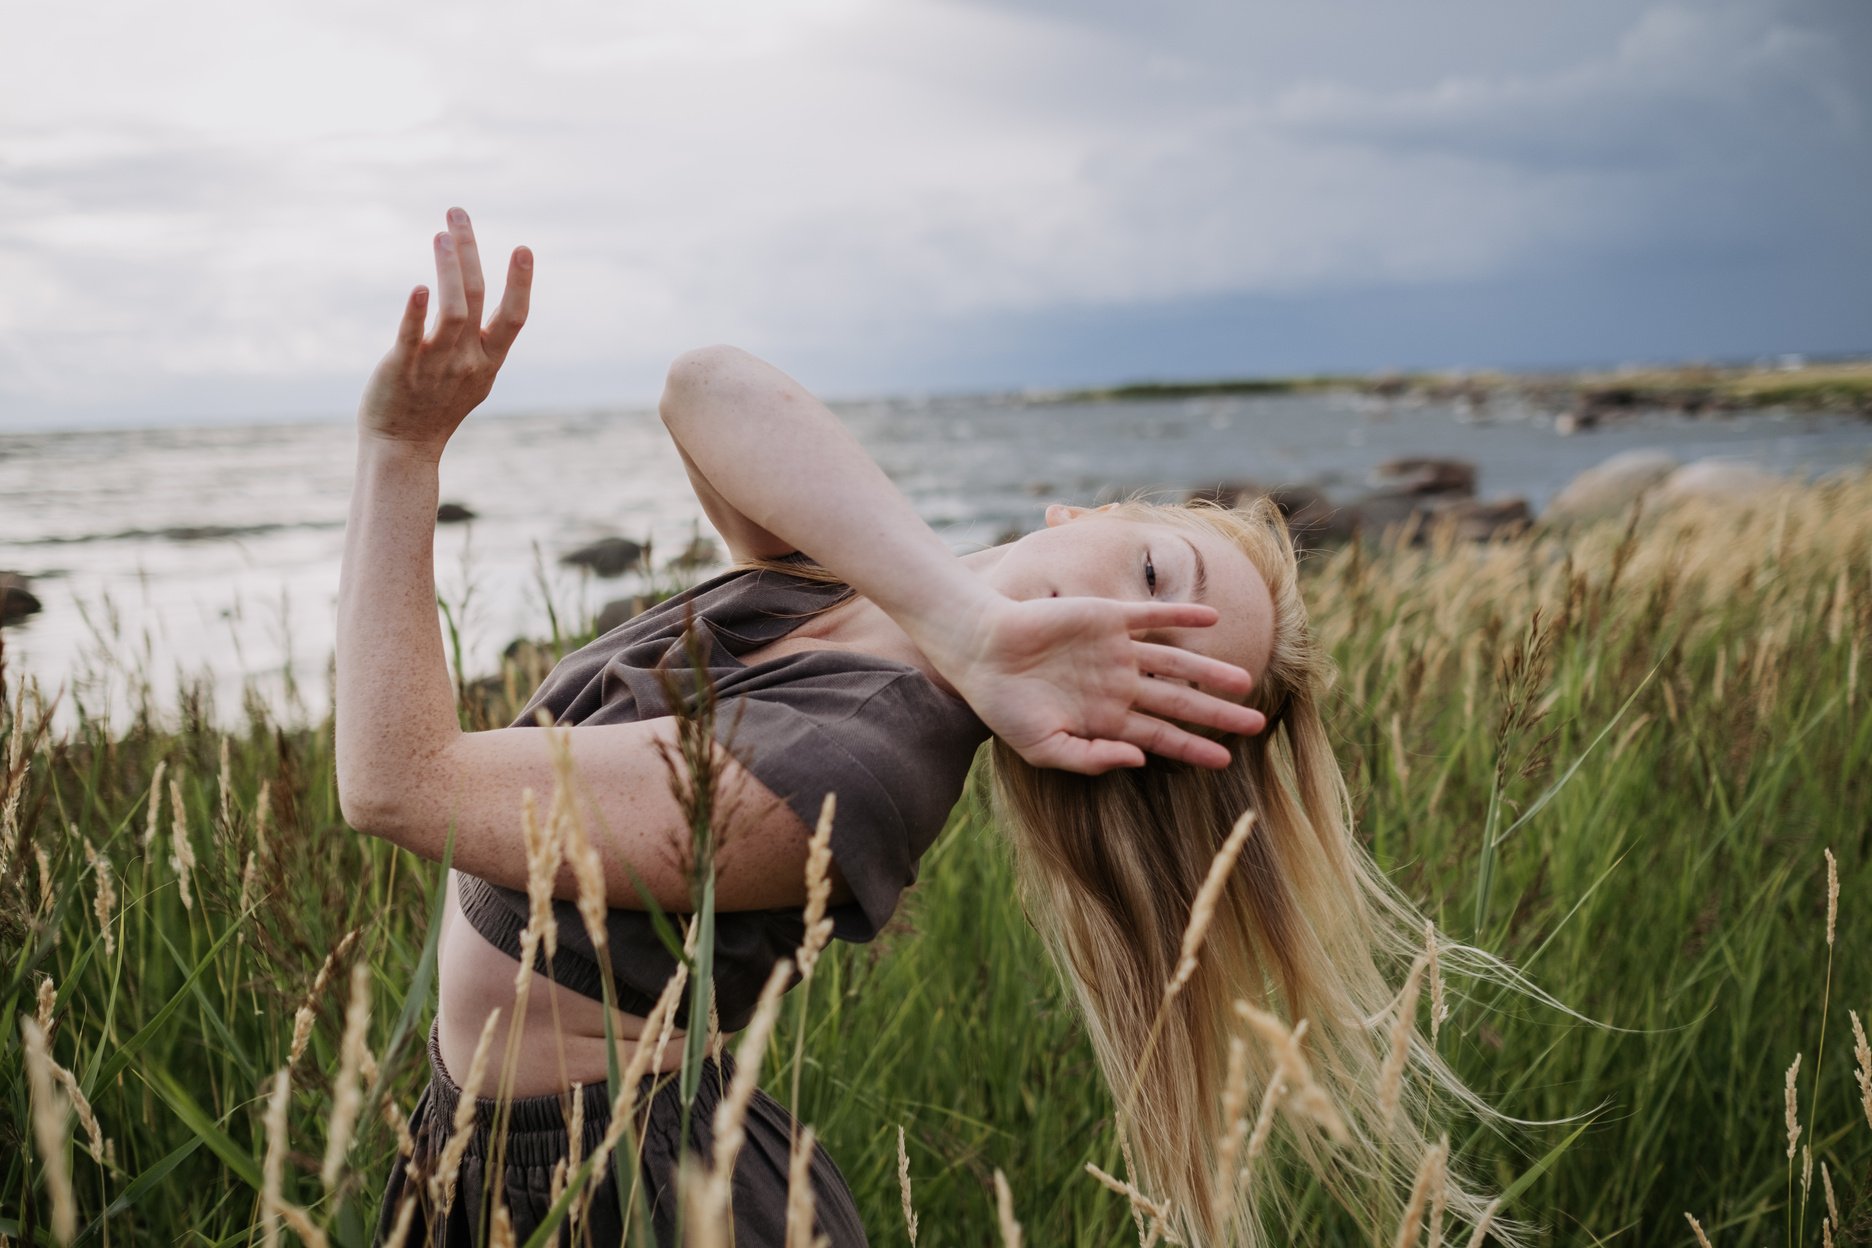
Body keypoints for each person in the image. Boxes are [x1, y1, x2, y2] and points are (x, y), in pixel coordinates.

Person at [337, 209, 1549, 1248]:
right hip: (492, 1152)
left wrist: (402, 450)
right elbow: (705, 385)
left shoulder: (841, 778)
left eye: (1153, 658)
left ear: (1107, 736)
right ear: (1075, 510)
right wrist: (959, 614)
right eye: (1143, 569)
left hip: (626, 1200)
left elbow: (396, 782)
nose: (1107, 620)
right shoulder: (863, 589)